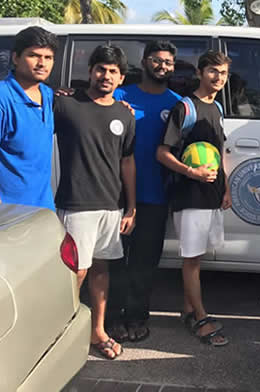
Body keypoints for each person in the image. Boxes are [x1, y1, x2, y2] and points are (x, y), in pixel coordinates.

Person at [54, 45, 136, 360]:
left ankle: (96, 330)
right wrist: (62, 92)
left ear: (121, 78)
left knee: (101, 270)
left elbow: (127, 162)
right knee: (75, 272)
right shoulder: (65, 104)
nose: (106, 75)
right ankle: (61, 333)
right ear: (90, 71)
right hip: (76, 204)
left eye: (113, 71)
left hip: (111, 206)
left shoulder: (124, 115)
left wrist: (130, 207)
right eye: (101, 68)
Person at [106, 41, 182, 343]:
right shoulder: (121, 96)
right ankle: (113, 319)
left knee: (145, 264)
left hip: (155, 196)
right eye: (156, 60)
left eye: (168, 62)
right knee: (116, 261)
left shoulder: (177, 103)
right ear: (144, 62)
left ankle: (137, 317)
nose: (162, 66)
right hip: (117, 195)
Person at [156, 50, 232, 347]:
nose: (218, 78)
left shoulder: (217, 109)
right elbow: (162, 153)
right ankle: (200, 317)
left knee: (197, 257)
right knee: (191, 260)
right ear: (200, 73)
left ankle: (188, 311)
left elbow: (219, 152)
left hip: (211, 195)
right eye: (213, 71)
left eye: (223, 73)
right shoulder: (184, 108)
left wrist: (224, 188)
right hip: (189, 196)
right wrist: (192, 172)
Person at [0, 26, 58, 209]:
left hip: (42, 211)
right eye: (34, 55)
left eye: (48, 57)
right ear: (16, 58)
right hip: (7, 214)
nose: (42, 63)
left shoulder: (48, 95)